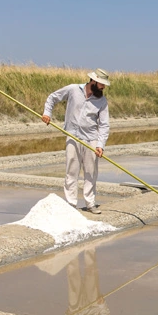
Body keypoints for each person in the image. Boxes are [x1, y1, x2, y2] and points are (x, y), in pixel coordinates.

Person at [41, 69, 111, 214]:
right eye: (101, 84)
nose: (103, 87)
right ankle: (71, 204)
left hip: (91, 138)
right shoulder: (73, 90)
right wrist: (47, 113)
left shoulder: (102, 101)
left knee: (91, 172)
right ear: (93, 81)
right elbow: (53, 97)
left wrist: (100, 145)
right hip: (72, 135)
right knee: (71, 171)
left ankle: (90, 203)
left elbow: (104, 125)